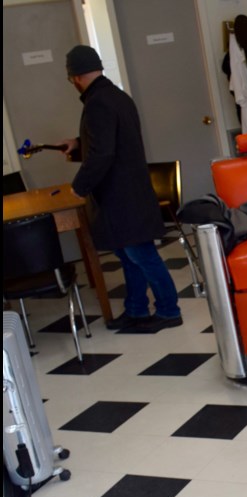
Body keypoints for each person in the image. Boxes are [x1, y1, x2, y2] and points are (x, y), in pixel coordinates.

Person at [60, 45, 182, 333]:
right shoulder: (117, 96)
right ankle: (136, 309)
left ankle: (168, 310)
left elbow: (104, 153)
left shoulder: (96, 103)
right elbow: (114, 141)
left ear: (74, 77)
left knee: (142, 255)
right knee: (129, 255)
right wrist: (78, 144)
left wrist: (79, 186)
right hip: (131, 191)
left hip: (121, 196)